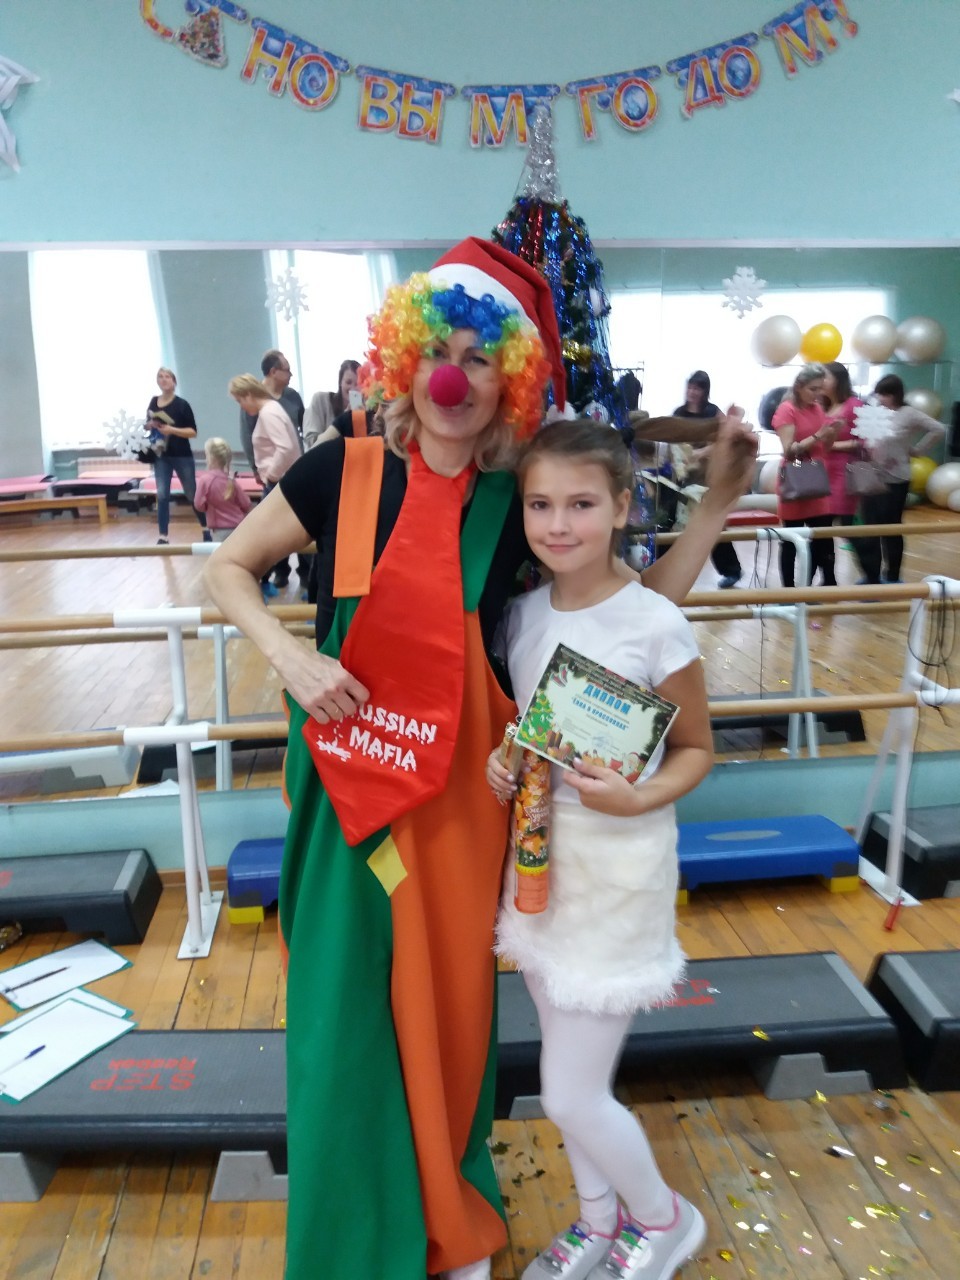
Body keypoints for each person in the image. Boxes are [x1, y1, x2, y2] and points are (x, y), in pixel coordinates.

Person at [204, 236, 756, 1280]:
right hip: (345, 783)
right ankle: (352, 1240)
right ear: (405, 360)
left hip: (467, 794)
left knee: (451, 1016)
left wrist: (718, 504)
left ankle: (446, 1223)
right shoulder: (339, 470)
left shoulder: (516, 505)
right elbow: (228, 567)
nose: (453, 378)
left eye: (479, 359)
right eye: (438, 352)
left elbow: (630, 617)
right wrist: (290, 656)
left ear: (510, 383)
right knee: (337, 1013)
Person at [486, 419, 713, 1280]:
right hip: (540, 870)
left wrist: (638, 795)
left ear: (622, 507)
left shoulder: (656, 624)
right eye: (540, 504)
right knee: (566, 1075)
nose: (557, 524)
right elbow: (527, 730)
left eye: (581, 504)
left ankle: (664, 1220)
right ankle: (598, 1220)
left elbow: (695, 748)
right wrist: (504, 759)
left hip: (619, 874)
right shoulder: (519, 616)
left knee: (570, 1091)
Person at [857, 373, 946, 584]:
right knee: (870, 527)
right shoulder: (874, 412)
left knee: (892, 527)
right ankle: (872, 576)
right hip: (871, 476)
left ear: (896, 395)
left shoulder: (908, 413)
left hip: (896, 478)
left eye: (886, 394)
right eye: (879, 394)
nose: (881, 398)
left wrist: (917, 450)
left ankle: (893, 574)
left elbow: (938, 429)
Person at [227, 374, 302, 598]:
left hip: (279, 482)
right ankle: (266, 579)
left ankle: (260, 581)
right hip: (281, 480)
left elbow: (286, 448)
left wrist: (271, 476)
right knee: (275, 533)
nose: (241, 406)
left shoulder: (269, 413)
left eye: (240, 401)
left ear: (249, 395)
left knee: (266, 533)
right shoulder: (271, 410)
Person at [672, 371, 743, 589]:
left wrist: (701, 453)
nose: (692, 392)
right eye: (690, 387)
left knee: (713, 522)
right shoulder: (678, 413)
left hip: (708, 475)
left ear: (705, 391)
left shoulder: (713, 413)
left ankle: (731, 570)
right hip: (682, 474)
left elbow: (725, 440)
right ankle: (670, 571)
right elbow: (671, 441)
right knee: (676, 522)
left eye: (697, 388)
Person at [771, 363, 837, 588]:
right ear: (799, 387)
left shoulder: (817, 408)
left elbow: (823, 447)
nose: (817, 394)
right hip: (795, 476)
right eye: (813, 389)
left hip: (816, 478)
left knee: (822, 536)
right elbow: (789, 450)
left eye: (820, 389)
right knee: (791, 539)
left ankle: (813, 584)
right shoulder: (787, 409)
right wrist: (818, 435)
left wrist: (831, 434)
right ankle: (789, 590)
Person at [145, 367, 209, 545]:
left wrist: (171, 430)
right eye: (160, 376)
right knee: (162, 495)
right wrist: (150, 425)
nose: (164, 379)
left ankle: (206, 528)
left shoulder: (182, 404)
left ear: (174, 382)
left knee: (191, 493)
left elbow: (192, 432)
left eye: (167, 377)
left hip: (182, 455)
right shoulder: (153, 402)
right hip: (161, 455)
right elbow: (147, 425)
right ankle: (163, 536)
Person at [820, 362, 868, 580]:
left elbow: (865, 441)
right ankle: (828, 578)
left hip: (845, 473)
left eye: (826, 377)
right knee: (821, 530)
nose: (821, 382)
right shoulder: (820, 406)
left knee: (848, 528)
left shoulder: (854, 405)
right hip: (821, 474)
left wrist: (833, 445)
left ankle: (872, 576)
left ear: (838, 380)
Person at [193, 437, 252, 541]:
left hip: (219, 530)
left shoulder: (205, 480)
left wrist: (207, 507)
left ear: (211, 458)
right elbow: (246, 504)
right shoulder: (231, 480)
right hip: (238, 527)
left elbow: (198, 505)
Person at [302, 358, 362, 448]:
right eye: (348, 382)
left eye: (358, 384)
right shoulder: (321, 400)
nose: (353, 388)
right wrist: (343, 420)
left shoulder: (366, 409)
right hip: (322, 455)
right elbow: (311, 441)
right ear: (340, 383)